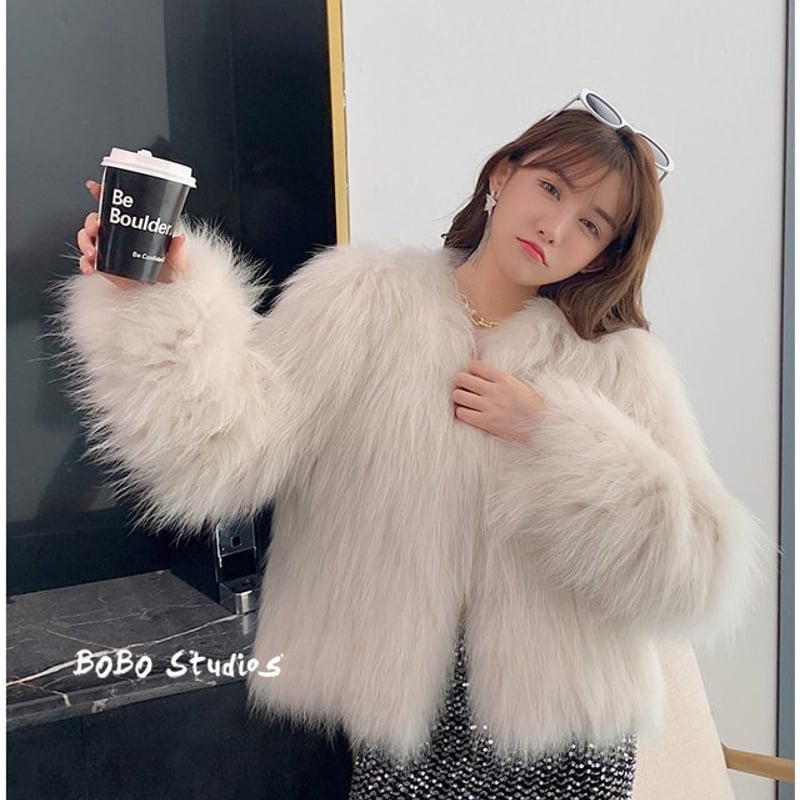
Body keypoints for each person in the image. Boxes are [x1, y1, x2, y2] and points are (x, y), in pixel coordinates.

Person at [54, 89, 773, 799]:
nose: (554, 227)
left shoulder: (619, 364)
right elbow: (223, 448)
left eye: (590, 224)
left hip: (569, 733)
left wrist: (554, 433)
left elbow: (701, 566)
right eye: (550, 188)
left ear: (600, 256)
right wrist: (161, 297)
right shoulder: (362, 300)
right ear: (503, 176)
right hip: (407, 721)